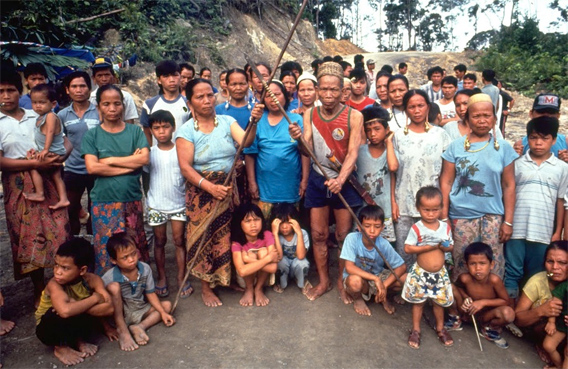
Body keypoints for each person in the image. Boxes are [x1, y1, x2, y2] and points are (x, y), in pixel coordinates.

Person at [176, 78, 260, 307]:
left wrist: (253, 121)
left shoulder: (227, 121)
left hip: (230, 187)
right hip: (202, 192)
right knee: (206, 238)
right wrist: (210, 187)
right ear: (190, 101)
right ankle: (206, 287)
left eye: (209, 95)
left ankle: (226, 279)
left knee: (230, 234)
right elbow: (185, 167)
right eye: (200, 97)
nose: (206, 101)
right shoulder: (185, 131)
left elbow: (245, 141)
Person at [289, 61, 363, 303]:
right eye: (324, 89)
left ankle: (342, 281)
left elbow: (353, 153)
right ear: (318, 90)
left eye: (334, 90)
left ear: (343, 91)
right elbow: (307, 148)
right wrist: (298, 138)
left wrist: (341, 179)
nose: (329, 95)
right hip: (319, 182)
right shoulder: (310, 113)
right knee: (319, 234)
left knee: (343, 235)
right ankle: (324, 280)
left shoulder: (355, 116)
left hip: (345, 181)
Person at [1, 65, 70, 306]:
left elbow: (65, 142)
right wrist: (31, 162)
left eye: (11, 90)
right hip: (18, 185)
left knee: (59, 230)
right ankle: (39, 288)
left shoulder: (37, 114)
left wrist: (59, 158)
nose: (6, 96)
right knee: (27, 236)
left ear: (21, 91)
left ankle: (64, 281)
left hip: (48, 179)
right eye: (0, 91)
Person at [440, 93, 516, 282]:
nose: (482, 121)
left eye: (487, 115)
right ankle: (461, 308)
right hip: (461, 218)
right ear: (467, 118)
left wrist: (508, 221)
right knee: (462, 265)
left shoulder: (504, 148)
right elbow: (446, 182)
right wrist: (444, 217)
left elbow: (509, 185)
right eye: (476, 116)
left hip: (493, 220)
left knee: (492, 269)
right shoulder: (455, 147)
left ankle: (489, 308)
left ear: (494, 118)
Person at [82, 85, 150, 275]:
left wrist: (110, 161)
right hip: (104, 201)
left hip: (131, 199)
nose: (112, 108)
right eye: (106, 104)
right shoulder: (92, 135)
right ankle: (110, 292)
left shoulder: (135, 132)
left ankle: (139, 290)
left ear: (123, 106)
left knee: (133, 247)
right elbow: (92, 167)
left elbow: (144, 159)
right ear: (98, 107)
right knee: (106, 250)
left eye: (117, 104)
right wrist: (130, 165)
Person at [504, 116, 568, 298]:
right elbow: (508, 193)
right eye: (533, 138)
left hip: (543, 231)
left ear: (554, 140)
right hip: (516, 229)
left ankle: (529, 315)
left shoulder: (562, 168)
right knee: (512, 272)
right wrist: (507, 223)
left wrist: (558, 232)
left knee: (537, 275)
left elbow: (560, 202)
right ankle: (509, 313)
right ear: (527, 139)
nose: (538, 143)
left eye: (545, 138)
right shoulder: (516, 164)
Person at [392, 90, 451, 268]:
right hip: (403, 205)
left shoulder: (440, 135)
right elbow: (393, 173)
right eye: (412, 107)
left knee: (433, 252)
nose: (416, 110)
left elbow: (446, 176)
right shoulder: (398, 136)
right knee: (405, 254)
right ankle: (407, 293)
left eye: (420, 106)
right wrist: (393, 202)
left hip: (432, 207)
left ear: (428, 107)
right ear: (405, 110)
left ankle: (433, 293)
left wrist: (444, 208)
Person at [35, 238, 113, 366]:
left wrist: (75, 305)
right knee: (56, 312)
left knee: (76, 308)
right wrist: (94, 299)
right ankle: (60, 348)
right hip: (49, 329)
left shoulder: (92, 280)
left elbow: (109, 308)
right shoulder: (54, 285)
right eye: (56, 265)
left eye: (65, 268)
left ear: (82, 270)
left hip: (74, 321)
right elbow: (65, 311)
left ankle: (79, 341)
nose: (58, 272)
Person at [244, 80, 308, 217]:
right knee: (265, 229)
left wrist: (304, 180)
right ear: (263, 99)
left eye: (277, 94)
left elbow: (305, 153)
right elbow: (250, 153)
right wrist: (252, 182)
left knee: (288, 228)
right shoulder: (257, 120)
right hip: (265, 187)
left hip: (291, 185)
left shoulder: (296, 119)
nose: (273, 99)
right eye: (268, 96)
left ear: (285, 95)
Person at [103, 231, 175, 351]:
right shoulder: (108, 278)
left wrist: (162, 313)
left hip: (139, 309)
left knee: (167, 306)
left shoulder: (145, 269)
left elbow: (150, 293)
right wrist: (107, 328)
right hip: (120, 313)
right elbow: (102, 307)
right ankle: (123, 329)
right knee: (113, 287)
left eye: (133, 254)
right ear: (114, 260)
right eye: (125, 257)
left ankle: (139, 327)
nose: (131, 259)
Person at [402, 186, 454, 349]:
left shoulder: (445, 227)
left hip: (439, 273)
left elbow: (450, 246)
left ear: (441, 208)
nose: (431, 214)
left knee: (438, 302)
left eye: (435, 210)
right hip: (421, 273)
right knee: (418, 302)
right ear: (418, 208)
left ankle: (440, 328)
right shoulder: (417, 228)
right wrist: (429, 247)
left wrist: (446, 247)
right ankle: (416, 330)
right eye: (426, 210)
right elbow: (408, 248)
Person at [146, 110, 190, 299]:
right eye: (157, 128)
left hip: (179, 203)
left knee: (179, 241)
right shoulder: (149, 153)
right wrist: (150, 199)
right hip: (156, 204)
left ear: (173, 128)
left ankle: (181, 277)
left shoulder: (181, 151)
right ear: (151, 130)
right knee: (160, 241)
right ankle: (162, 277)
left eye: (165, 127)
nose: (161, 131)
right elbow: (145, 178)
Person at [445, 242, 515, 349]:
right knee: (449, 287)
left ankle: (489, 328)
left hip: (486, 316)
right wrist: (465, 297)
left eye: (482, 263)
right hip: (466, 313)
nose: (478, 268)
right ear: (466, 265)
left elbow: (505, 301)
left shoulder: (494, 281)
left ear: (491, 265)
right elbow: (457, 288)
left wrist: (483, 302)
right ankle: (455, 318)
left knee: (509, 313)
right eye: (473, 264)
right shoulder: (465, 278)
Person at [341, 205, 406, 316]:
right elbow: (349, 267)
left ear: (382, 227)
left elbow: (401, 267)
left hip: (378, 277)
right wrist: (375, 279)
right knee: (354, 282)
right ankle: (358, 299)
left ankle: (382, 295)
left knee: (406, 278)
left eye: (377, 226)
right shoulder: (352, 238)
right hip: (361, 279)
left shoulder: (383, 244)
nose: (372, 231)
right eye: (367, 226)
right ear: (359, 227)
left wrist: (384, 285)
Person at [58, 70, 100, 236]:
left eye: (83, 86)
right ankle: (74, 248)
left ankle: (94, 248)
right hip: (72, 170)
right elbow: (59, 141)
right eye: (74, 86)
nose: (79, 90)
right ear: (67, 90)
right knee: (70, 210)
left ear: (89, 89)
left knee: (95, 212)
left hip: (97, 170)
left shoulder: (99, 112)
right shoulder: (62, 115)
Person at [515, 241, 568, 366]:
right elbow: (518, 319)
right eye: (550, 261)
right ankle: (543, 346)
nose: (555, 267)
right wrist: (541, 311)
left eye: (562, 263)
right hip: (548, 333)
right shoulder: (537, 281)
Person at [24, 84, 70, 209]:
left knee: (34, 167)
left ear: (53, 104)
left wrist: (45, 150)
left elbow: (49, 133)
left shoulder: (50, 116)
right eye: (34, 102)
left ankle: (39, 193)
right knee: (56, 176)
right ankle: (64, 199)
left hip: (53, 151)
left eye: (42, 102)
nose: (38, 106)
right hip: (51, 150)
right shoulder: (40, 117)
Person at [357, 106, 398, 245]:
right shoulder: (360, 152)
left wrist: (389, 142)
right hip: (364, 209)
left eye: (377, 129)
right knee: (363, 244)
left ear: (387, 130)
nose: (372, 134)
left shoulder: (390, 152)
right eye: (368, 130)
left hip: (384, 209)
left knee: (384, 246)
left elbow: (393, 168)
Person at [231, 203, 279, 307]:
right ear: (240, 223)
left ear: (262, 220)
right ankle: (249, 289)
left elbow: (274, 268)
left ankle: (258, 288)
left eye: (257, 219)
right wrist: (268, 258)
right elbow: (242, 271)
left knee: (262, 252)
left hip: (265, 278)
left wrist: (248, 260)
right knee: (253, 254)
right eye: (248, 221)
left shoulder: (267, 235)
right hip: (245, 280)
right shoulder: (237, 243)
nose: (253, 225)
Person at [140, 60, 189, 146]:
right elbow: (147, 133)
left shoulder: (189, 103)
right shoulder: (149, 105)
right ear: (159, 80)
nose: (171, 80)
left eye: (175, 75)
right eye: (166, 76)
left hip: (183, 155)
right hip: (157, 157)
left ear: (180, 77)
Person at [513, 94, 567, 162]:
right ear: (531, 114)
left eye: (551, 113)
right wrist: (514, 158)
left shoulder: (566, 143)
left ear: (558, 116)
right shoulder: (520, 145)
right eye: (541, 112)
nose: (546, 116)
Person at [270, 203, 310, 293]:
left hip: (296, 263)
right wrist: (275, 234)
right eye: (281, 223)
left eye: (288, 222)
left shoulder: (302, 233)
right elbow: (279, 257)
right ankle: (282, 282)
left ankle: (300, 281)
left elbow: (300, 256)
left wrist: (299, 233)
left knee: (302, 263)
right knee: (280, 262)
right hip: (284, 265)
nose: (284, 227)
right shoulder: (275, 235)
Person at [89, 57, 138, 124]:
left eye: (107, 75)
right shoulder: (90, 99)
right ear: (93, 79)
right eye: (99, 75)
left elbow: (130, 124)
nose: (104, 79)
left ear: (114, 76)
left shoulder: (125, 97)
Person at [543, 279, 567, 369]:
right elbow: (554, 304)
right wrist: (551, 322)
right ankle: (559, 366)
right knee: (548, 345)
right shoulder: (564, 287)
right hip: (562, 324)